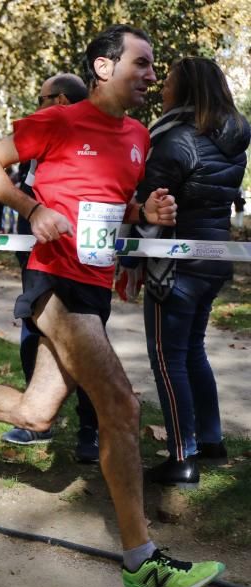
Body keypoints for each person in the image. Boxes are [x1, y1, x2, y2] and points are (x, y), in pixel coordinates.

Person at [0, 26, 225, 587]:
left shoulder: (139, 135)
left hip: (93, 285)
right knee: (119, 403)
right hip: (55, 281)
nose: (149, 75)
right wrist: (34, 207)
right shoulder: (59, 121)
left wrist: (149, 210)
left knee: (37, 413)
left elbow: (117, 204)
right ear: (103, 67)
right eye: (140, 64)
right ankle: (142, 561)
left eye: (151, 67)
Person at [137, 57, 249, 487]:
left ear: (183, 91)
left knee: (168, 360)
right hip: (213, 259)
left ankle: (182, 457)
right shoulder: (231, 140)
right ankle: (211, 437)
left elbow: (148, 201)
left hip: (176, 264)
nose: (161, 89)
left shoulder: (174, 140)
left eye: (166, 82)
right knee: (193, 350)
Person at [0, 73, 100, 464]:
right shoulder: (42, 138)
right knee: (32, 335)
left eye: (40, 98)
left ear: (58, 100)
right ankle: (36, 422)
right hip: (38, 261)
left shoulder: (87, 140)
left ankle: (90, 431)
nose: (36, 105)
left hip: (77, 264)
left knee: (88, 347)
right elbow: (25, 188)